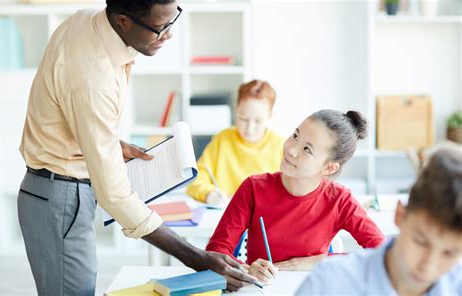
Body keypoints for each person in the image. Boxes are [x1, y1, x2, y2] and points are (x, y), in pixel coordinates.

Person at [17, 0, 255, 294]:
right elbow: (114, 195)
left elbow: (66, 106)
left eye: (173, 20)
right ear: (122, 21)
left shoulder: (86, 20)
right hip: (61, 196)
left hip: (56, 191)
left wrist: (107, 143)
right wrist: (196, 257)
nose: (168, 34)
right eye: (159, 27)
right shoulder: (94, 78)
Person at [206, 109, 385, 285]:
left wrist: (317, 261)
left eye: (307, 149)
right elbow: (216, 251)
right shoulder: (253, 188)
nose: (291, 149)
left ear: (329, 168)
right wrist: (246, 269)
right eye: (296, 136)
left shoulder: (340, 200)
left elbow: (382, 253)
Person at [295, 146, 462, 295]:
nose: (428, 266)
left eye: (449, 253)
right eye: (420, 242)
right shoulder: (329, 285)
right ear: (400, 215)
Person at [187, 80, 284, 206]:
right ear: (236, 109)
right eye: (243, 119)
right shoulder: (222, 140)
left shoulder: (280, 146)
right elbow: (195, 178)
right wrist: (208, 193)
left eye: (258, 121)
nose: (249, 128)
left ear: (269, 115)